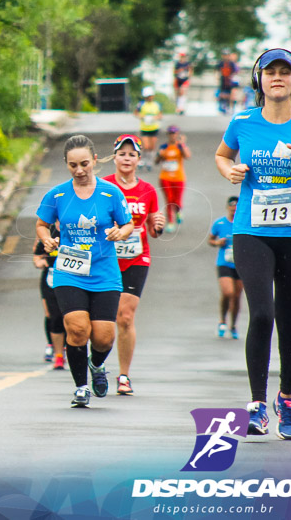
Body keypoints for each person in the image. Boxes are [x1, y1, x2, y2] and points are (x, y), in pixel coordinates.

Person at [215, 47, 291, 440]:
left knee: (288, 320)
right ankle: (258, 403)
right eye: (269, 72)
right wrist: (231, 171)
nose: (277, 78)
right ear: (258, 81)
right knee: (261, 313)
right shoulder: (242, 120)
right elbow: (222, 155)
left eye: (285, 72)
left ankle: (287, 398)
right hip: (251, 231)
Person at [36, 135, 134, 408]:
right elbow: (42, 224)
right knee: (77, 330)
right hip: (69, 270)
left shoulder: (110, 193)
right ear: (66, 165)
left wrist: (119, 232)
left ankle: (97, 365)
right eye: (72, 165)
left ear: (94, 161)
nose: (79, 170)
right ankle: (81, 387)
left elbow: (127, 224)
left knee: (103, 337)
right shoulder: (56, 194)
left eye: (83, 164)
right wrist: (46, 238)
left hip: (104, 272)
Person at [103, 134, 165, 395]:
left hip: (137, 257)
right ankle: (97, 364)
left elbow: (153, 229)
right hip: (106, 258)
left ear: (139, 159)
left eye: (131, 154)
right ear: (114, 157)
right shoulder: (103, 186)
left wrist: (158, 226)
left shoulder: (148, 191)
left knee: (125, 316)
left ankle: (124, 376)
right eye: (122, 153)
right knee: (103, 320)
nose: (126, 158)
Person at [208, 196, 243, 340]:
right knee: (228, 292)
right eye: (232, 206)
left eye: (237, 206)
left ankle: (233, 325)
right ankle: (222, 320)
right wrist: (217, 243)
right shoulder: (220, 223)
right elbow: (210, 240)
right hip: (224, 262)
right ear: (228, 207)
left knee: (237, 296)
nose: (234, 209)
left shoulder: (244, 222)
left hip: (241, 264)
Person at [33, 222, 65, 370]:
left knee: (70, 316)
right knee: (53, 315)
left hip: (72, 278)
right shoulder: (49, 232)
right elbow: (37, 256)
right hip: (50, 279)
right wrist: (41, 262)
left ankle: (69, 347)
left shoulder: (77, 231)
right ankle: (57, 353)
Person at [157, 125, 190, 232]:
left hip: (178, 177)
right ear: (168, 135)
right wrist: (160, 155)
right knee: (169, 200)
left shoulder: (180, 146)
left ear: (177, 134)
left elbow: (187, 156)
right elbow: (156, 162)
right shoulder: (163, 147)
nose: (173, 135)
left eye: (174, 133)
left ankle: (178, 212)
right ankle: (170, 222)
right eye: (171, 133)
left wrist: (182, 144)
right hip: (165, 177)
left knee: (177, 200)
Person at [135, 86, 162, 170]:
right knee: (146, 146)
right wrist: (143, 117)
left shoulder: (156, 105)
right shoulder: (141, 104)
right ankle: (142, 160)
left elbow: (160, 115)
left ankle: (149, 161)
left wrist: (155, 118)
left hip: (154, 127)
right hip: (145, 128)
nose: (149, 97)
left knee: (152, 147)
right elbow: (136, 113)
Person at [173, 50, 192, 114]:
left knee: (183, 91)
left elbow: (190, 71)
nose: (183, 58)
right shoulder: (177, 64)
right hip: (178, 79)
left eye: (184, 57)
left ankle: (182, 107)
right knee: (178, 93)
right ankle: (178, 107)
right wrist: (179, 71)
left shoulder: (187, 64)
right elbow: (174, 72)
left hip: (185, 79)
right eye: (181, 56)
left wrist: (188, 76)